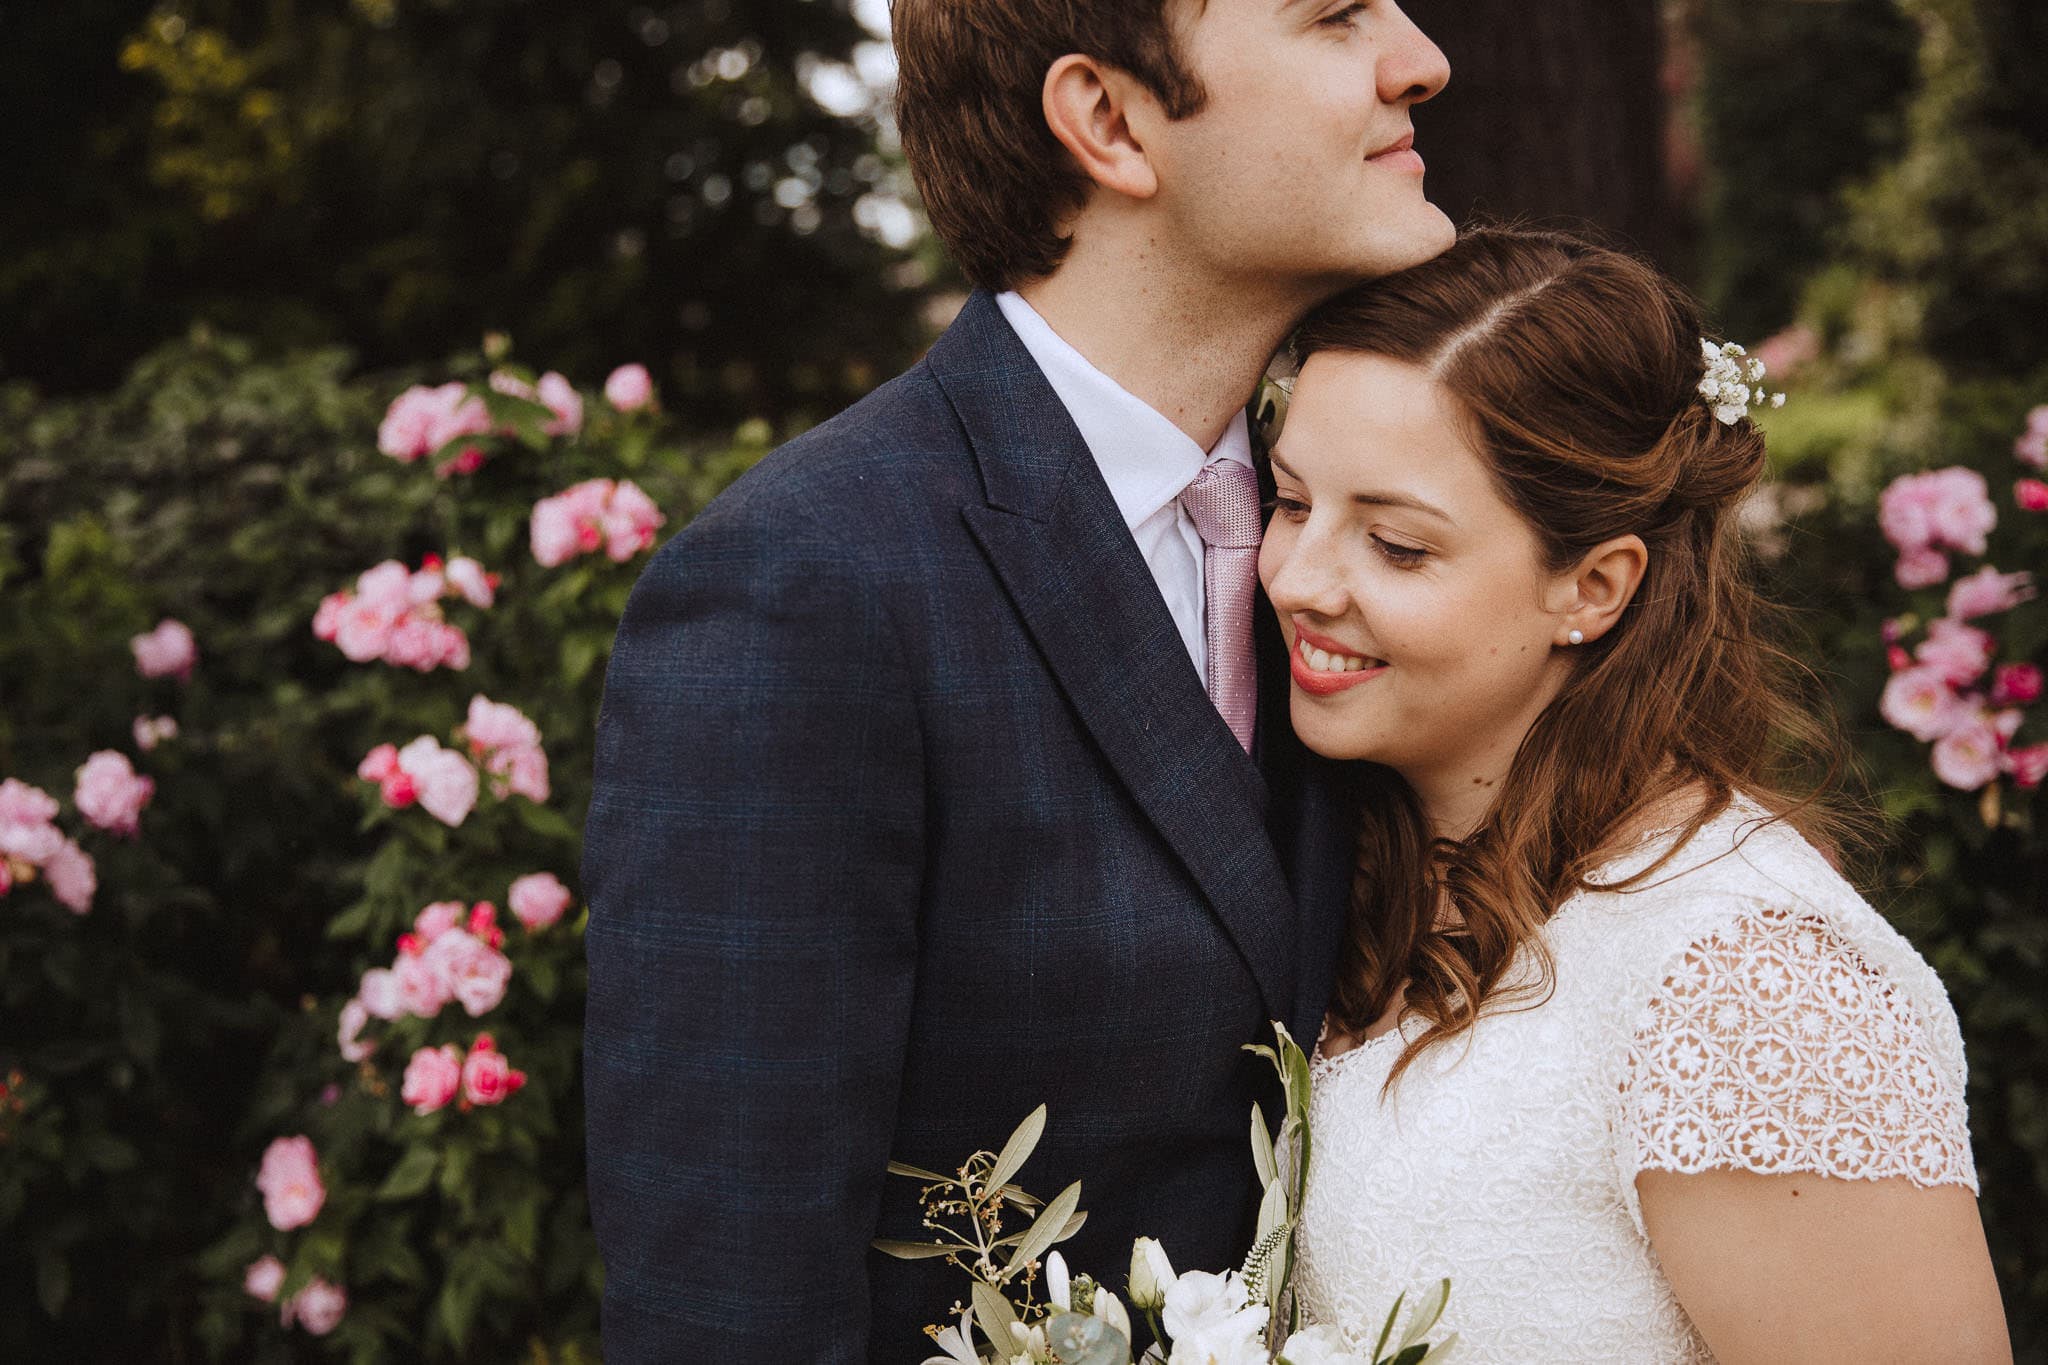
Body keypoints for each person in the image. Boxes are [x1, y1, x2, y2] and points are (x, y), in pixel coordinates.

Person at [580, 1, 1453, 1357]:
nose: (1419, 58)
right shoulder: (802, 586)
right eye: (1335, 16)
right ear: (1109, 122)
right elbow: (726, 1304)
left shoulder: (1371, 545)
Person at [1262, 225, 2012, 1362]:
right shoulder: (1353, 860)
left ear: (1594, 585)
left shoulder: (1746, 982)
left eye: (1396, 546)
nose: (1298, 579)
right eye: (1286, 502)